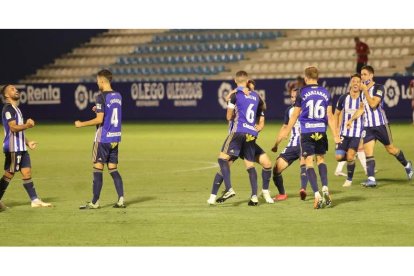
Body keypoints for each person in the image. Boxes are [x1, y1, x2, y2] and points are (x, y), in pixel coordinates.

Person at [278, 66, 340, 209]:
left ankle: (317, 195)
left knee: (308, 163)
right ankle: (325, 188)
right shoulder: (325, 92)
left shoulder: (302, 92)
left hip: (307, 132)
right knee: (321, 160)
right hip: (321, 131)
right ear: (318, 78)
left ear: (305, 78)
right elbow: (330, 116)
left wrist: (287, 130)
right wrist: (336, 135)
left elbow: (295, 115)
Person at [209, 80, 274, 204]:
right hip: (246, 137)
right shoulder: (242, 98)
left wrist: (260, 126)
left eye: (253, 89)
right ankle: (214, 196)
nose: (252, 91)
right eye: (250, 88)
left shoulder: (246, 100)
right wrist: (238, 90)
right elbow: (229, 98)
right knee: (230, 166)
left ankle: (256, 194)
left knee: (225, 163)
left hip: (238, 137)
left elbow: (261, 117)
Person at [347, 65, 413, 186]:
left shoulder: (379, 88)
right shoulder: (362, 92)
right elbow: (362, 109)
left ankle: (407, 164)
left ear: (371, 75)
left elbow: (373, 104)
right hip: (368, 127)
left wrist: (365, 90)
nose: (362, 77)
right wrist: (351, 119)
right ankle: (371, 179)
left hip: (381, 125)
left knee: (391, 149)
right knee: (368, 152)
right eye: (361, 74)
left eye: (365, 74)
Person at [75, 69, 125, 209]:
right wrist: (98, 110)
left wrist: (81, 124)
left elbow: (99, 119)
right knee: (113, 169)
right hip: (115, 138)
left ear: (103, 80)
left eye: (98, 80)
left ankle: (95, 202)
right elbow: (110, 113)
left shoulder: (100, 96)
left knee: (97, 169)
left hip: (102, 139)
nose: (97, 83)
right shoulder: (118, 95)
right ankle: (121, 199)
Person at [0, 84, 52, 211]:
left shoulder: (16, 109)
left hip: (21, 147)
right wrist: (28, 125)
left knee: (27, 172)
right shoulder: (8, 109)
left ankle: (35, 200)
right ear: (6, 95)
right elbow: (13, 128)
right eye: (12, 89)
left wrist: (27, 142)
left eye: (16, 89)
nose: (16, 90)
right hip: (13, 147)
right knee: (9, 173)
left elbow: (18, 130)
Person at [271, 88, 309, 201]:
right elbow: (284, 127)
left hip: (305, 143)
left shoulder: (308, 109)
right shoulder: (289, 110)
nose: (293, 99)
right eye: (292, 97)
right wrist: (276, 144)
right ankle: (282, 194)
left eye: (295, 97)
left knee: (303, 164)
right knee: (276, 169)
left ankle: (303, 189)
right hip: (292, 145)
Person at [333, 74, 365, 187]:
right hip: (343, 133)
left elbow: (363, 112)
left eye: (358, 81)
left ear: (361, 84)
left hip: (356, 133)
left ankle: (349, 179)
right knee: (338, 157)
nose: (355, 83)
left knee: (350, 156)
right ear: (350, 83)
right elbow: (336, 114)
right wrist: (336, 130)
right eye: (354, 81)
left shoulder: (363, 98)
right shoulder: (343, 98)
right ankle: (352, 158)